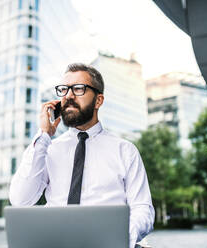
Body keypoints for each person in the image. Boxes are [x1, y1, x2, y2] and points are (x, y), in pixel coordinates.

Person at [9, 63, 154, 248]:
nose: (68, 96)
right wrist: (43, 135)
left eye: (78, 89)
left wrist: (119, 239)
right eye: (63, 90)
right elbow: (21, 200)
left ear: (98, 101)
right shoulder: (48, 149)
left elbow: (143, 209)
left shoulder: (125, 151)